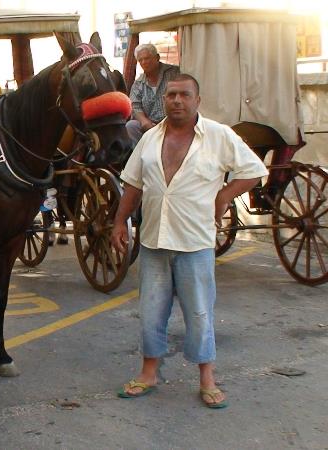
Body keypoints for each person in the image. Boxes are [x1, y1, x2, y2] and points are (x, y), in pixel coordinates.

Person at [111, 74, 268, 408]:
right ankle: (148, 373)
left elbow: (253, 170)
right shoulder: (150, 139)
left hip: (195, 243)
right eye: (171, 95)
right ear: (163, 100)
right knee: (150, 313)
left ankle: (207, 379)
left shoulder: (218, 135)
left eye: (184, 95)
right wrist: (120, 221)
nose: (177, 101)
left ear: (198, 100)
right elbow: (133, 184)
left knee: (199, 314)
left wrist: (224, 195)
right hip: (154, 242)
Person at [126, 44, 179, 147]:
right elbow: (135, 105)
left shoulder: (174, 73)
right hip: (150, 125)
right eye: (140, 60)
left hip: (173, 121)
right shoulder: (139, 83)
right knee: (131, 126)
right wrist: (144, 122)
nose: (144, 62)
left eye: (147, 58)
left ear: (157, 57)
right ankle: (139, 154)